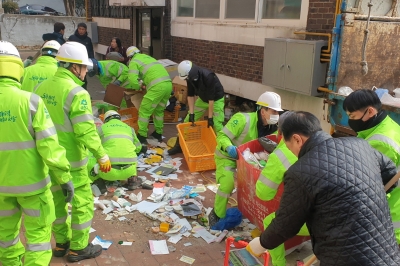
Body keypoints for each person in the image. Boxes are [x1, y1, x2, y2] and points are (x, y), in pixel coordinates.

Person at [246, 111, 400, 265]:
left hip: (345, 258)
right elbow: (391, 176)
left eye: (289, 146)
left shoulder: (301, 171)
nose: (292, 151)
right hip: (387, 252)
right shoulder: (360, 144)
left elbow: (285, 225)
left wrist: (262, 243)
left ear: (297, 139)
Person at [34, 41, 111, 263]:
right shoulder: (77, 93)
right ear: (74, 67)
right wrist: (101, 154)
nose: (86, 72)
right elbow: (85, 130)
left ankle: (61, 244)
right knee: (82, 204)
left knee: (57, 202)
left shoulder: (40, 89)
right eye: (84, 67)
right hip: (73, 162)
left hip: (48, 160)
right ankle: (78, 247)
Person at [0, 40, 74, 265]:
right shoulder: (30, 102)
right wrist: (64, 179)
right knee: (38, 240)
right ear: (17, 68)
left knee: (6, 240)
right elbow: (50, 147)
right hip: (33, 187)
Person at [209, 91, 282, 226]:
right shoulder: (242, 119)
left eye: (278, 113)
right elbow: (222, 136)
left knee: (257, 187)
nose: (276, 116)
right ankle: (217, 214)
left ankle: (251, 212)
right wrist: (230, 148)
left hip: (249, 161)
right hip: (228, 157)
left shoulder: (273, 129)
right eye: (273, 111)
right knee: (227, 185)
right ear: (262, 111)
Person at [343, 89, 400, 244]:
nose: (350, 120)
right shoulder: (388, 125)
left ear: (370, 111)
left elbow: (371, 188)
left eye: (352, 116)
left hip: (393, 217)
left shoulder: (380, 142)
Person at [255, 111, 308, 266]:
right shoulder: (326, 144)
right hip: (343, 215)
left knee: (270, 222)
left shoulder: (280, 154)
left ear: (280, 132)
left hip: (315, 219)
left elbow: (263, 193)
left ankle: (279, 263)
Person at [168, 60, 225, 155]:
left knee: (217, 124)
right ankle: (179, 145)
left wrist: (210, 118)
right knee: (187, 121)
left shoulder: (208, 76)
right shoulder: (190, 78)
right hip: (203, 99)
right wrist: (191, 113)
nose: (186, 79)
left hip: (216, 99)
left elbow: (211, 98)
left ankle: (223, 148)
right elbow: (190, 95)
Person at [126, 46, 172, 143]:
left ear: (129, 57)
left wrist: (138, 87)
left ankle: (142, 136)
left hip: (157, 87)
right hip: (168, 84)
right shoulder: (148, 58)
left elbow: (132, 80)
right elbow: (152, 73)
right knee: (159, 111)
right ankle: (158, 133)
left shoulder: (134, 62)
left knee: (144, 111)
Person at [87, 110, 142, 190]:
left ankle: (95, 180)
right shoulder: (130, 129)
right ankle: (132, 179)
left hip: (107, 171)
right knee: (132, 156)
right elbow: (138, 148)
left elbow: (92, 146)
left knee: (89, 153)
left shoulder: (100, 129)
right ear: (119, 118)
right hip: (129, 172)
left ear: (105, 120)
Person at [68, 23, 94, 91]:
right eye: (79, 29)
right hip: (73, 62)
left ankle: (84, 93)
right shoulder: (72, 38)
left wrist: (92, 61)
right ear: (77, 29)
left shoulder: (88, 40)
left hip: (83, 63)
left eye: (83, 29)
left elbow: (90, 51)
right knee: (73, 78)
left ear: (85, 30)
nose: (81, 31)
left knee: (83, 79)